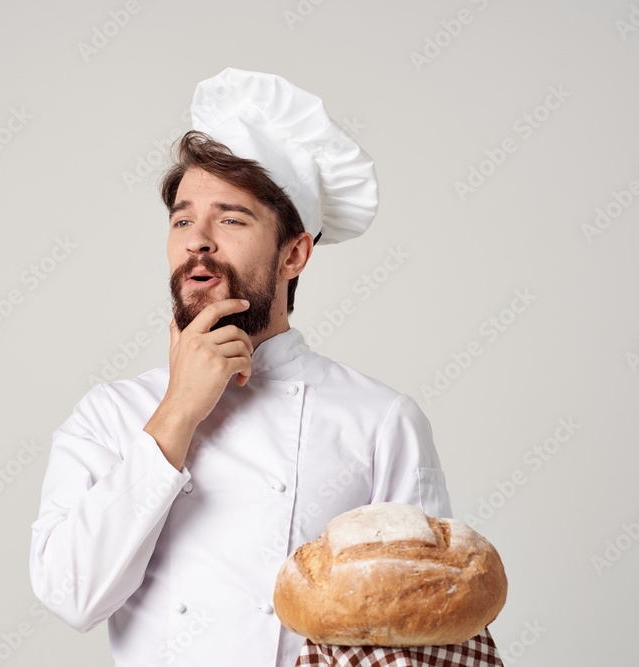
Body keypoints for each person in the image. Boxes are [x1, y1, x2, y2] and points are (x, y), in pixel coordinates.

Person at [29, 68, 452, 667]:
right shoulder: (109, 416)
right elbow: (72, 596)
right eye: (182, 219)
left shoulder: (381, 421)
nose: (198, 240)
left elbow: (423, 621)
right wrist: (177, 412)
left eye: (230, 219)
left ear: (294, 253)